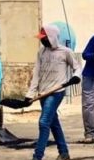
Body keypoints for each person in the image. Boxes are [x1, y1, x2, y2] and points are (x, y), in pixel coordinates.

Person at [26, 24, 82, 160]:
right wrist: (30, 94)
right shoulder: (41, 52)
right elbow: (36, 74)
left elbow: (77, 67)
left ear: (51, 37)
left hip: (57, 92)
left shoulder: (65, 52)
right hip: (43, 93)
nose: (42, 40)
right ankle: (64, 153)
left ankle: (37, 156)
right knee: (53, 123)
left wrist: (76, 77)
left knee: (44, 122)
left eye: (44, 38)